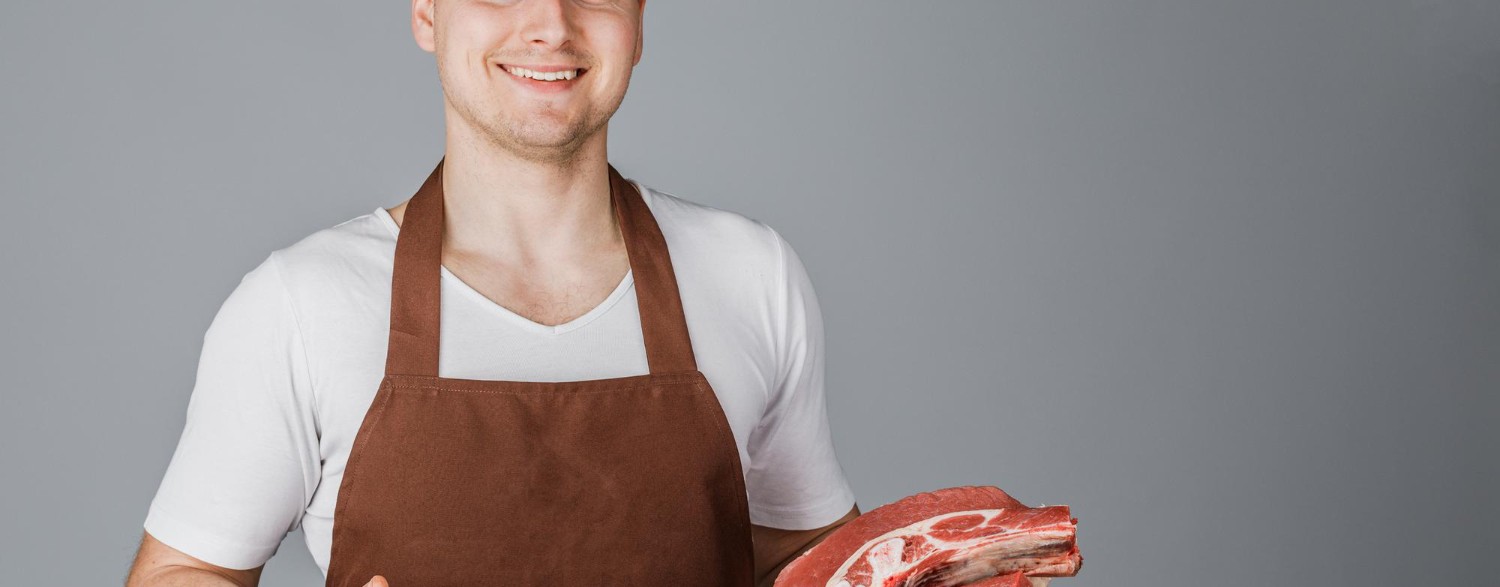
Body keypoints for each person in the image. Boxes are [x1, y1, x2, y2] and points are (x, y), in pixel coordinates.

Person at [124, 1, 860, 586]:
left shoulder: (751, 275)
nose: (550, 24)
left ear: (638, 24)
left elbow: (812, 559)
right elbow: (184, 571)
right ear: (426, 14)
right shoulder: (302, 304)